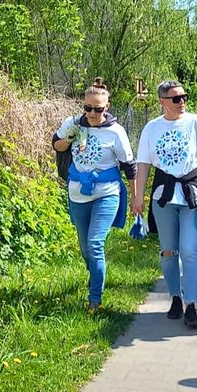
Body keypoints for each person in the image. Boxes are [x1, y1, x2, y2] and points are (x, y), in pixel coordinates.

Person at [131, 81, 197, 330]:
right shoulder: (152, 128)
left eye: (184, 97)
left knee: (190, 250)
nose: (182, 102)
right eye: (175, 98)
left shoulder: (196, 123)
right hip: (164, 196)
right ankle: (175, 298)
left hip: (193, 193)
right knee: (169, 251)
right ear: (162, 101)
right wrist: (138, 196)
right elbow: (144, 165)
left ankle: (191, 304)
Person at [53, 78, 135, 313]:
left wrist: (135, 197)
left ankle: (95, 299)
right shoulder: (73, 123)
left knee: (95, 243)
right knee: (84, 248)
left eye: (98, 109)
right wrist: (69, 135)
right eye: (87, 108)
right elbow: (57, 146)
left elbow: (129, 166)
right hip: (78, 193)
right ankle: (94, 277)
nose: (92, 113)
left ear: (107, 107)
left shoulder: (115, 131)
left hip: (106, 193)